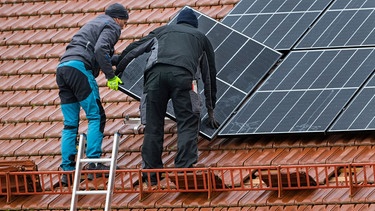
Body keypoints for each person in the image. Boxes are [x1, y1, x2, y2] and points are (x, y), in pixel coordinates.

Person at [115, 7, 220, 186]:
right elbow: (209, 75)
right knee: (187, 121)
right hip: (183, 78)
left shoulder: (162, 31)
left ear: (178, 22)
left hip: (154, 79)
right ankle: (184, 168)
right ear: (195, 25)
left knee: (153, 125)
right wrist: (210, 111)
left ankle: (151, 172)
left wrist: (118, 72)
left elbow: (134, 49)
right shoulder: (201, 39)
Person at [55, 3, 128, 186]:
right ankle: (93, 164)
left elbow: (96, 52)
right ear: (118, 18)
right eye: (124, 23)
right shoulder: (112, 26)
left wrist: (117, 60)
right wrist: (110, 76)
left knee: (70, 124)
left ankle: (68, 171)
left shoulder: (94, 23)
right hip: (80, 69)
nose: (124, 27)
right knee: (97, 116)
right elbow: (99, 50)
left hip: (63, 68)